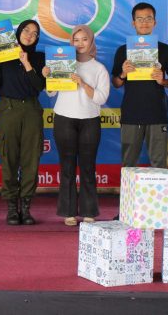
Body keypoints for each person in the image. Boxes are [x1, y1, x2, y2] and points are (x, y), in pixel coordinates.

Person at [43, 24, 109, 226]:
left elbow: (101, 98)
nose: (80, 43)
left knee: (88, 167)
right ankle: (68, 211)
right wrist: (49, 77)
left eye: (84, 39)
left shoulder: (99, 69)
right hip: (64, 118)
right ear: (71, 42)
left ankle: (89, 211)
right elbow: (51, 92)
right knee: (67, 167)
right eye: (76, 40)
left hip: (89, 120)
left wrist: (82, 83)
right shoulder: (61, 63)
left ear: (91, 42)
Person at [0, 20, 45, 225]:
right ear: (18, 32)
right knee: (8, 158)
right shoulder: (4, 54)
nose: (29, 35)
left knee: (31, 159)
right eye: (26, 30)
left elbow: (39, 86)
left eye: (35, 33)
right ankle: (12, 207)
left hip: (31, 110)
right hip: (8, 109)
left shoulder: (39, 58)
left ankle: (26, 207)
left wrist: (27, 63)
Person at [112, 3, 168, 169]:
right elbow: (116, 83)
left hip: (157, 114)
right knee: (128, 164)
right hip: (131, 114)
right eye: (140, 19)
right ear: (133, 23)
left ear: (154, 22)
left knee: (159, 163)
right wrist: (123, 74)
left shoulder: (165, 50)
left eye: (148, 18)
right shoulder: (123, 50)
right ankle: (128, 189)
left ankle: (159, 188)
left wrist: (163, 81)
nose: (144, 22)